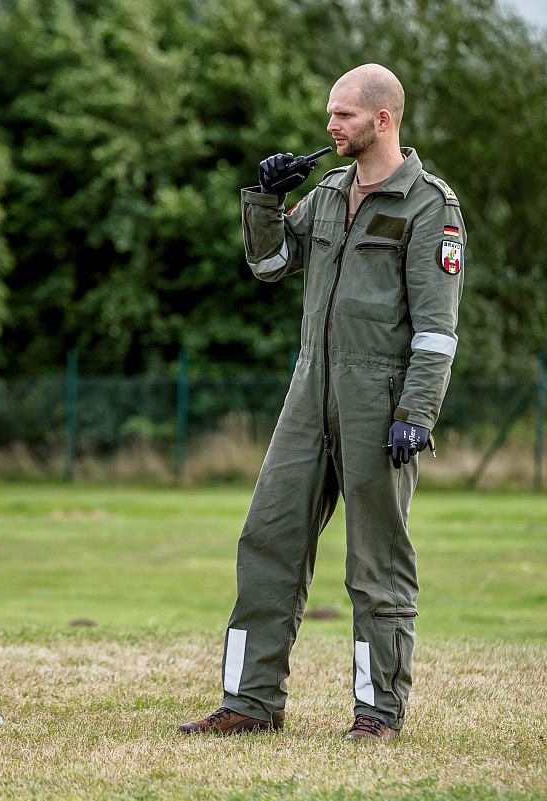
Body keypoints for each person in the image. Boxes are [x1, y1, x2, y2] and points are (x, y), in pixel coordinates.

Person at [179, 64, 466, 740]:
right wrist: (266, 200)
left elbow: (436, 329)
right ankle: (250, 703)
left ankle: (378, 714)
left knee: (376, 564)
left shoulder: (429, 204)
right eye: (331, 114)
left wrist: (416, 413)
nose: (330, 126)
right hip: (309, 393)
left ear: (382, 119)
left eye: (343, 115)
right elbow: (270, 267)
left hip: (382, 403)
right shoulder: (330, 191)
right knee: (266, 537)